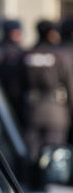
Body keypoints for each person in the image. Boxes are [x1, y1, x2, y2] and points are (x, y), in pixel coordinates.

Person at [22, 20, 73, 160]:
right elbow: (70, 85)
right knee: (54, 157)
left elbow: (17, 87)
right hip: (56, 112)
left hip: (32, 111)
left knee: (32, 155)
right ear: (51, 34)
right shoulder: (61, 56)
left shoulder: (27, 55)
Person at [0, 19, 26, 128]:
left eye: (19, 33)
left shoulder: (22, 52)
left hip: (18, 99)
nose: (18, 36)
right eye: (15, 33)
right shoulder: (0, 51)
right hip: (3, 97)